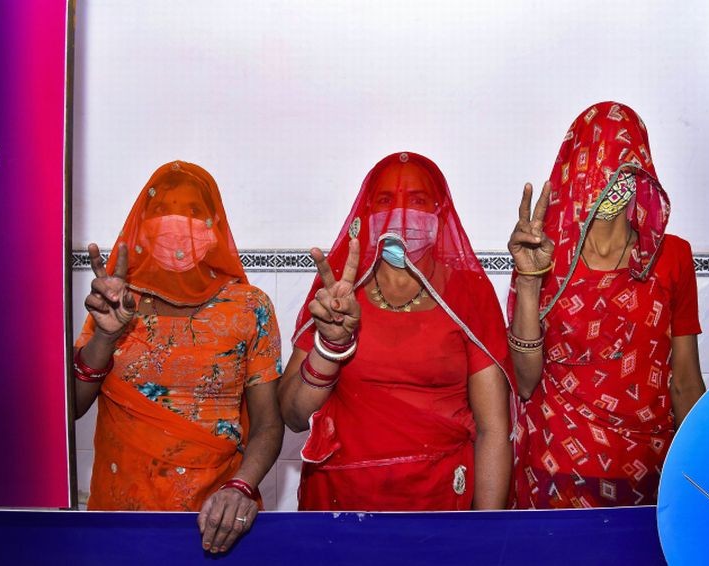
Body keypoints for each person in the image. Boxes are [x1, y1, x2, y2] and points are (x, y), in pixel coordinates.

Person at [278, 151, 514, 511]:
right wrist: (330, 346)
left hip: (440, 501)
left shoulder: (467, 292)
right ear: (367, 214)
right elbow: (293, 417)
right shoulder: (339, 291)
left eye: (417, 201)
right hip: (341, 499)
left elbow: (493, 429)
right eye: (386, 201)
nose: (401, 215)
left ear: (438, 212)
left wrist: (484, 535)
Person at [74, 160, 283, 554]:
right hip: (122, 516)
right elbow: (72, 407)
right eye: (163, 212)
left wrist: (240, 487)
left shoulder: (249, 305)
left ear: (213, 227)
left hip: (219, 519)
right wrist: (105, 333)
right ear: (143, 226)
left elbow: (269, 424)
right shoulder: (117, 300)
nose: (178, 226)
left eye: (193, 213)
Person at [507, 102, 706, 508]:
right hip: (556, 470)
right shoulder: (544, 254)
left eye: (624, 164)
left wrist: (703, 478)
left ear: (641, 171)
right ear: (575, 169)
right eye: (599, 163)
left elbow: (685, 383)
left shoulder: (671, 257)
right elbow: (526, 383)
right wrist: (529, 282)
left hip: (648, 474)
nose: (612, 177)